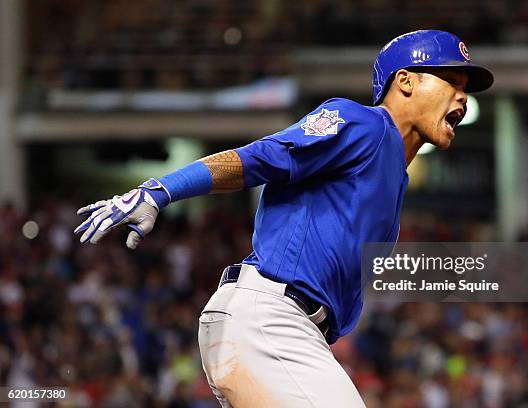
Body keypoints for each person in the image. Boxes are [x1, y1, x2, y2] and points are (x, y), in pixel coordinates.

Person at [75, 30, 493, 407]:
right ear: (405, 81)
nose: (462, 96)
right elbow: (263, 157)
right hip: (270, 319)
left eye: (464, 89)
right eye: (451, 81)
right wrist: (161, 190)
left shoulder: (392, 175)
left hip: (283, 330)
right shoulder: (365, 124)